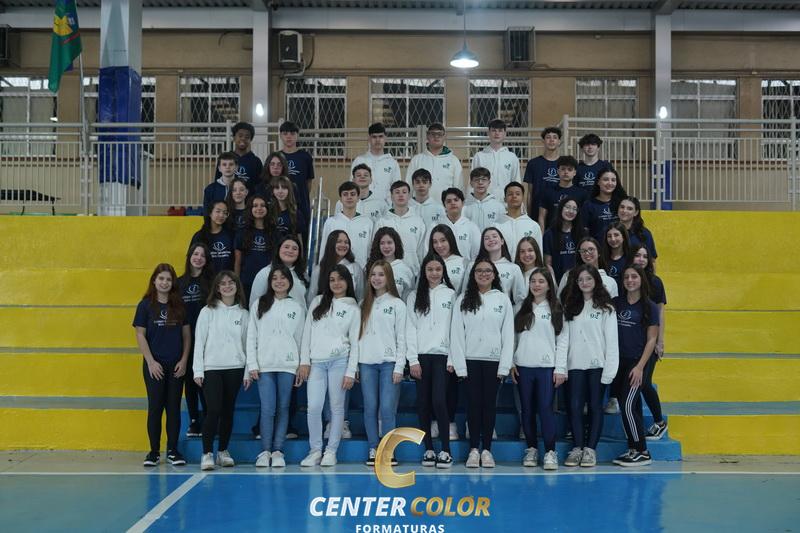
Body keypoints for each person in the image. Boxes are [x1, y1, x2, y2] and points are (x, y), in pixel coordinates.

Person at [450, 260, 514, 469]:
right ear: (473, 275)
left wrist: (504, 366)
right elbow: (457, 334)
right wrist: (460, 366)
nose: (483, 274)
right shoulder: (463, 299)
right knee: (473, 406)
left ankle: (487, 450)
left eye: (488, 271)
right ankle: (473, 450)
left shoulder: (502, 300)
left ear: (494, 275)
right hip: (470, 362)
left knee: (489, 407)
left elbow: (508, 335)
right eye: (479, 271)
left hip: (493, 362)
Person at [346, 260, 407, 466]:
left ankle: (388, 450)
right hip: (366, 364)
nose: (377, 278)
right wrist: (355, 366)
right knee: (370, 407)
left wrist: (400, 366)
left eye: (381, 274)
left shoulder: (397, 304)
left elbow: (402, 338)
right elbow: (356, 338)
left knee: (387, 408)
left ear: (388, 277)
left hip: (389, 363)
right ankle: (374, 447)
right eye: (373, 274)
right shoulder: (362, 304)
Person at [299, 265, 361, 467]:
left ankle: (331, 451)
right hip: (316, 362)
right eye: (332, 279)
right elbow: (307, 333)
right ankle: (315, 450)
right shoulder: (318, 302)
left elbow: (355, 342)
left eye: (340, 279)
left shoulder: (353, 308)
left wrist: (351, 371)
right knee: (314, 406)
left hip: (340, 362)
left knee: (336, 407)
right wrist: (304, 361)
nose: (336, 283)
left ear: (347, 282)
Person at [246, 264, 306, 468]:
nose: (279, 281)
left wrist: (300, 365)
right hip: (264, 365)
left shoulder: (296, 307)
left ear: (290, 281)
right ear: (270, 282)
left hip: (288, 365)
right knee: (268, 408)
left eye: (283, 278)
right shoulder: (259, 304)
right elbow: (251, 336)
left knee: (283, 407)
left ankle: (278, 450)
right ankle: (265, 451)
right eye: (275, 278)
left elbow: (301, 339)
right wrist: (252, 364)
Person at [134, 264, 191, 467]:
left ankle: (173, 451)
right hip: (154, 366)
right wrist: (151, 362)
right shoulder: (145, 306)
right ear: (154, 281)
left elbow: (186, 336)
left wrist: (184, 360)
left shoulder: (179, 305)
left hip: (176, 366)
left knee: (173, 408)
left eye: (168, 279)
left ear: (173, 282)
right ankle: (154, 452)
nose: (165, 282)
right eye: (161, 279)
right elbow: (140, 334)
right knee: (155, 407)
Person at [562, 264, 619, 468]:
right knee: (575, 406)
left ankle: (590, 450)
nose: (584, 283)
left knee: (595, 406)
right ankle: (578, 447)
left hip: (597, 366)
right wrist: (562, 367)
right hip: (575, 364)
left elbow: (611, 341)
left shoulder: (606, 308)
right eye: (580, 280)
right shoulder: (570, 307)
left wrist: (609, 372)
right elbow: (564, 339)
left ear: (596, 281)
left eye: (588, 279)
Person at [193, 271, 249, 471]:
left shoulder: (243, 313)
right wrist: (198, 370)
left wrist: (247, 371)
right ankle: (207, 453)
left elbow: (247, 344)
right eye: (222, 283)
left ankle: (223, 451)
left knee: (227, 411)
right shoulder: (207, 311)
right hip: (212, 368)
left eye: (231, 282)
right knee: (214, 409)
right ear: (217, 288)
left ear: (237, 286)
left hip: (235, 368)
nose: (227, 286)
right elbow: (199, 342)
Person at [512, 267, 568, 470]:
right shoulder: (520, 307)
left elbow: (562, 340)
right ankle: (532, 448)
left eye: (541, 281)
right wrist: (511, 362)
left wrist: (560, 368)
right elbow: (512, 337)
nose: (536, 285)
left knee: (545, 409)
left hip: (546, 368)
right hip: (523, 366)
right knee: (526, 410)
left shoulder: (556, 308)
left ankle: (550, 452)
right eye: (533, 281)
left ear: (549, 285)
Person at [406, 254, 456, 468]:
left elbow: (455, 329)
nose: (434, 273)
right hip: (421, 357)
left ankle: (445, 450)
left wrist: (453, 357)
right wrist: (412, 360)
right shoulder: (414, 296)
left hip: (443, 357)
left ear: (443, 271)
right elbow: (410, 328)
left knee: (439, 401)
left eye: (438, 269)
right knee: (423, 403)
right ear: (424, 272)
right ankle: (428, 449)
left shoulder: (451, 295)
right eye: (430, 269)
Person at [612, 266, 659, 467]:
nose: (630, 280)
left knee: (627, 405)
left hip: (638, 362)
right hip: (620, 362)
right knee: (632, 406)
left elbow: (652, 339)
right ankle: (633, 448)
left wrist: (640, 367)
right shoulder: (617, 303)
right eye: (626, 277)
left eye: (634, 277)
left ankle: (642, 451)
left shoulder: (650, 306)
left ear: (641, 280)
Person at [630, 244, 668, 440]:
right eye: (638, 255)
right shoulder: (628, 279)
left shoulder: (655, 282)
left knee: (644, 382)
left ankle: (659, 422)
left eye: (645, 256)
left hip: (650, 340)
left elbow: (660, 311)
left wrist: (660, 341)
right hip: (633, 341)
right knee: (636, 384)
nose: (641, 259)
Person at [177, 243, 214, 438]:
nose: (198, 258)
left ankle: (208, 418)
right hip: (185, 338)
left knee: (205, 380)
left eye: (203, 255)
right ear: (189, 256)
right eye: (195, 254)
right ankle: (193, 420)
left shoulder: (212, 282)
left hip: (207, 339)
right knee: (189, 381)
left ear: (206, 260)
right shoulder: (179, 283)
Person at [465, 227, 527, 306]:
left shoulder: (513, 268)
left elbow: (520, 299)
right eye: (486, 238)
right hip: (476, 309)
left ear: (502, 241)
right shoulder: (472, 266)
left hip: (502, 310)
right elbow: (465, 292)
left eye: (494, 236)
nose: (491, 240)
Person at [320, 181, 374, 269]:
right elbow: (324, 250)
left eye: (353, 194)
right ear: (341, 199)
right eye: (345, 194)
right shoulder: (331, 222)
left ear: (358, 198)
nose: (349, 197)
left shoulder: (367, 223)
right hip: (335, 271)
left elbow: (370, 251)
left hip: (361, 271)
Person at [278, 121, 315, 249]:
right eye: (285, 133)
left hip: (301, 204)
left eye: (292, 133)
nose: (289, 136)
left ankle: (301, 261)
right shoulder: (277, 157)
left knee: (302, 239)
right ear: (280, 136)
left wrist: (301, 197)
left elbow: (308, 182)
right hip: (281, 205)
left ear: (297, 135)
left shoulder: (305, 157)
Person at [376, 180, 426, 271]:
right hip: (387, 271)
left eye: (404, 192)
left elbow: (422, 251)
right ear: (391, 196)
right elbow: (376, 249)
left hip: (413, 271)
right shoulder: (382, 222)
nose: (401, 195)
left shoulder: (418, 222)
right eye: (397, 192)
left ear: (409, 196)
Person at [406, 123, 463, 201]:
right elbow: (409, 185)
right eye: (433, 134)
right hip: (420, 206)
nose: (436, 137)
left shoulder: (453, 160)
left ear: (444, 136)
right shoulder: (417, 160)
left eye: (439, 134)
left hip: (445, 206)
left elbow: (459, 187)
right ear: (427, 136)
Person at [250, 235, 309, 310]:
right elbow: (254, 303)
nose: (290, 251)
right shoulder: (265, 273)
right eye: (286, 247)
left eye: (294, 249)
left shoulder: (303, 274)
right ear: (278, 249)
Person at [308, 230, 366, 305]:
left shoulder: (356, 268)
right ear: (331, 244)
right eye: (339, 241)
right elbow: (311, 298)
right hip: (324, 310)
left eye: (346, 242)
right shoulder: (319, 269)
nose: (343, 245)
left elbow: (360, 297)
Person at [426, 188, 481, 262]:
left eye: (456, 200)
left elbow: (476, 254)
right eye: (449, 201)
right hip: (439, 267)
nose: (453, 203)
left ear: (463, 203)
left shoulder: (471, 227)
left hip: (464, 268)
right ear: (444, 205)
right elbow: (428, 250)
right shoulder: (435, 226)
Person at [470, 118, 521, 199]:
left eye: (500, 131)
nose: (497, 133)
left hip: (506, 201)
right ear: (488, 133)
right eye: (494, 130)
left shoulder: (512, 157)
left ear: (505, 134)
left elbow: (516, 181)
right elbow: (473, 181)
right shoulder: (479, 156)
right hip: (484, 201)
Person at [351, 122, 402, 201]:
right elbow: (352, 186)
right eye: (374, 137)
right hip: (362, 205)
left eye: (380, 136)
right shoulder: (359, 161)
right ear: (369, 139)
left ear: (385, 138)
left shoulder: (392, 163)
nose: (377, 140)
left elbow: (397, 189)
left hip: (385, 206)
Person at [234, 195, 272, 300]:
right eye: (255, 206)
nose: (259, 208)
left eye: (262, 205)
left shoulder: (274, 233)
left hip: (267, 282)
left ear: (267, 209)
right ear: (250, 209)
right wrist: (237, 282)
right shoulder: (242, 232)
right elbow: (237, 261)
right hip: (246, 282)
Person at [538, 155, 589, 231]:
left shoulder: (582, 194)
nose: (566, 172)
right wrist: (542, 236)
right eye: (563, 169)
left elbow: (585, 218)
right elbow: (542, 217)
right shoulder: (548, 192)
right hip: (552, 233)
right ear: (558, 171)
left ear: (575, 172)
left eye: (569, 169)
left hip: (574, 234)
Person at [542, 198, 584, 286]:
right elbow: (548, 264)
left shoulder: (582, 233)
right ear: (561, 208)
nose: (571, 211)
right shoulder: (549, 234)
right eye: (568, 207)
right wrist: (554, 284)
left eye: (574, 209)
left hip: (579, 281)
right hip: (557, 281)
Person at [496, 182, 542, 260]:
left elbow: (538, 254)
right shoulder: (496, 225)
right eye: (510, 194)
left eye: (517, 194)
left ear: (523, 198)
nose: (514, 196)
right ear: (505, 199)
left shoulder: (533, 226)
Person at [367, 227, 416, 301]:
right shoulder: (372, 266)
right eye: (382, 243)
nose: (386, 246)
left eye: (389, 242)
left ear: (396, 244)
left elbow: (409, 296)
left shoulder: (405, 269)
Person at [581, 168, 628, 243]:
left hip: (619, 246)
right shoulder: (589, 205)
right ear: (598, 182)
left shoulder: (622, 203)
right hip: (598, 247)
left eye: (613, 180)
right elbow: (584, 231)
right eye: (606, 179)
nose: (610, 183)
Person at [214, 121, 263, 193]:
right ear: (234, 138)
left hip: (249, 199)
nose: (243, 139)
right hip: (227, 198)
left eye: (247, 137)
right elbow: (218, 182)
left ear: (250, 140)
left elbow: (260, 185)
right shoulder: (224, 159)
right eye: (240, 136)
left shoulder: (256, 161)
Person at [523, 127, 562, 218]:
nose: (551, 140)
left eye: (555, 137)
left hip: (558, 212)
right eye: (548, 137)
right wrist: (529, 215)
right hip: (536, 211)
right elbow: (530, 193)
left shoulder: (564, 164)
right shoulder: (533, 163)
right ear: (543, 141)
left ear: (559, 142)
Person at [191, 201, 235, 273]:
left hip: (226, 279)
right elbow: (192, 260)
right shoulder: (199, 236)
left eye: (225, 213)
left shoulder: (231, 235)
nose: (221, 215)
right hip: (205, 278)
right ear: (210, 213)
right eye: (218, 211)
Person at [618, 196, 658, 269]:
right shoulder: (610, 231)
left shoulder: (644, 234)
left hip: (638, 275)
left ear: (636, 212)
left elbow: (652, 260)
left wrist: (651, 276)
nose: (624, 211)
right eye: (622, 207)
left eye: (629, 209)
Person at [428, 224, 468, 296]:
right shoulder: (427, 263)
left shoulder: (463, 263)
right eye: (435, 242)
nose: (439, 245)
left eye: (443, 240)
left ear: (450, 240)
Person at [464, 167, 506, 232]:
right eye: (476, 180)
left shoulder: (498, 206)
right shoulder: (464, 206)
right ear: (471, 183)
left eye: (484, 179)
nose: (480, 182)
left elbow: (503, 230)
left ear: (489, 182)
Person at [270, 175, 305, 246]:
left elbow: (299, 238)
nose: (280, 191)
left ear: (289, 190)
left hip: (289, 250)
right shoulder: (268, 211)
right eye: (277, 188)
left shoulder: (297, 214)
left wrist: (301, 252)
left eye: (284, 188)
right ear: (273, 191)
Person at [602, 222, 631, 291]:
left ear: (623, 237)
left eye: (616, 235)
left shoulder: (631, 258)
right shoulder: (601, 259)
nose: (613, 239)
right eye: (609, 236)